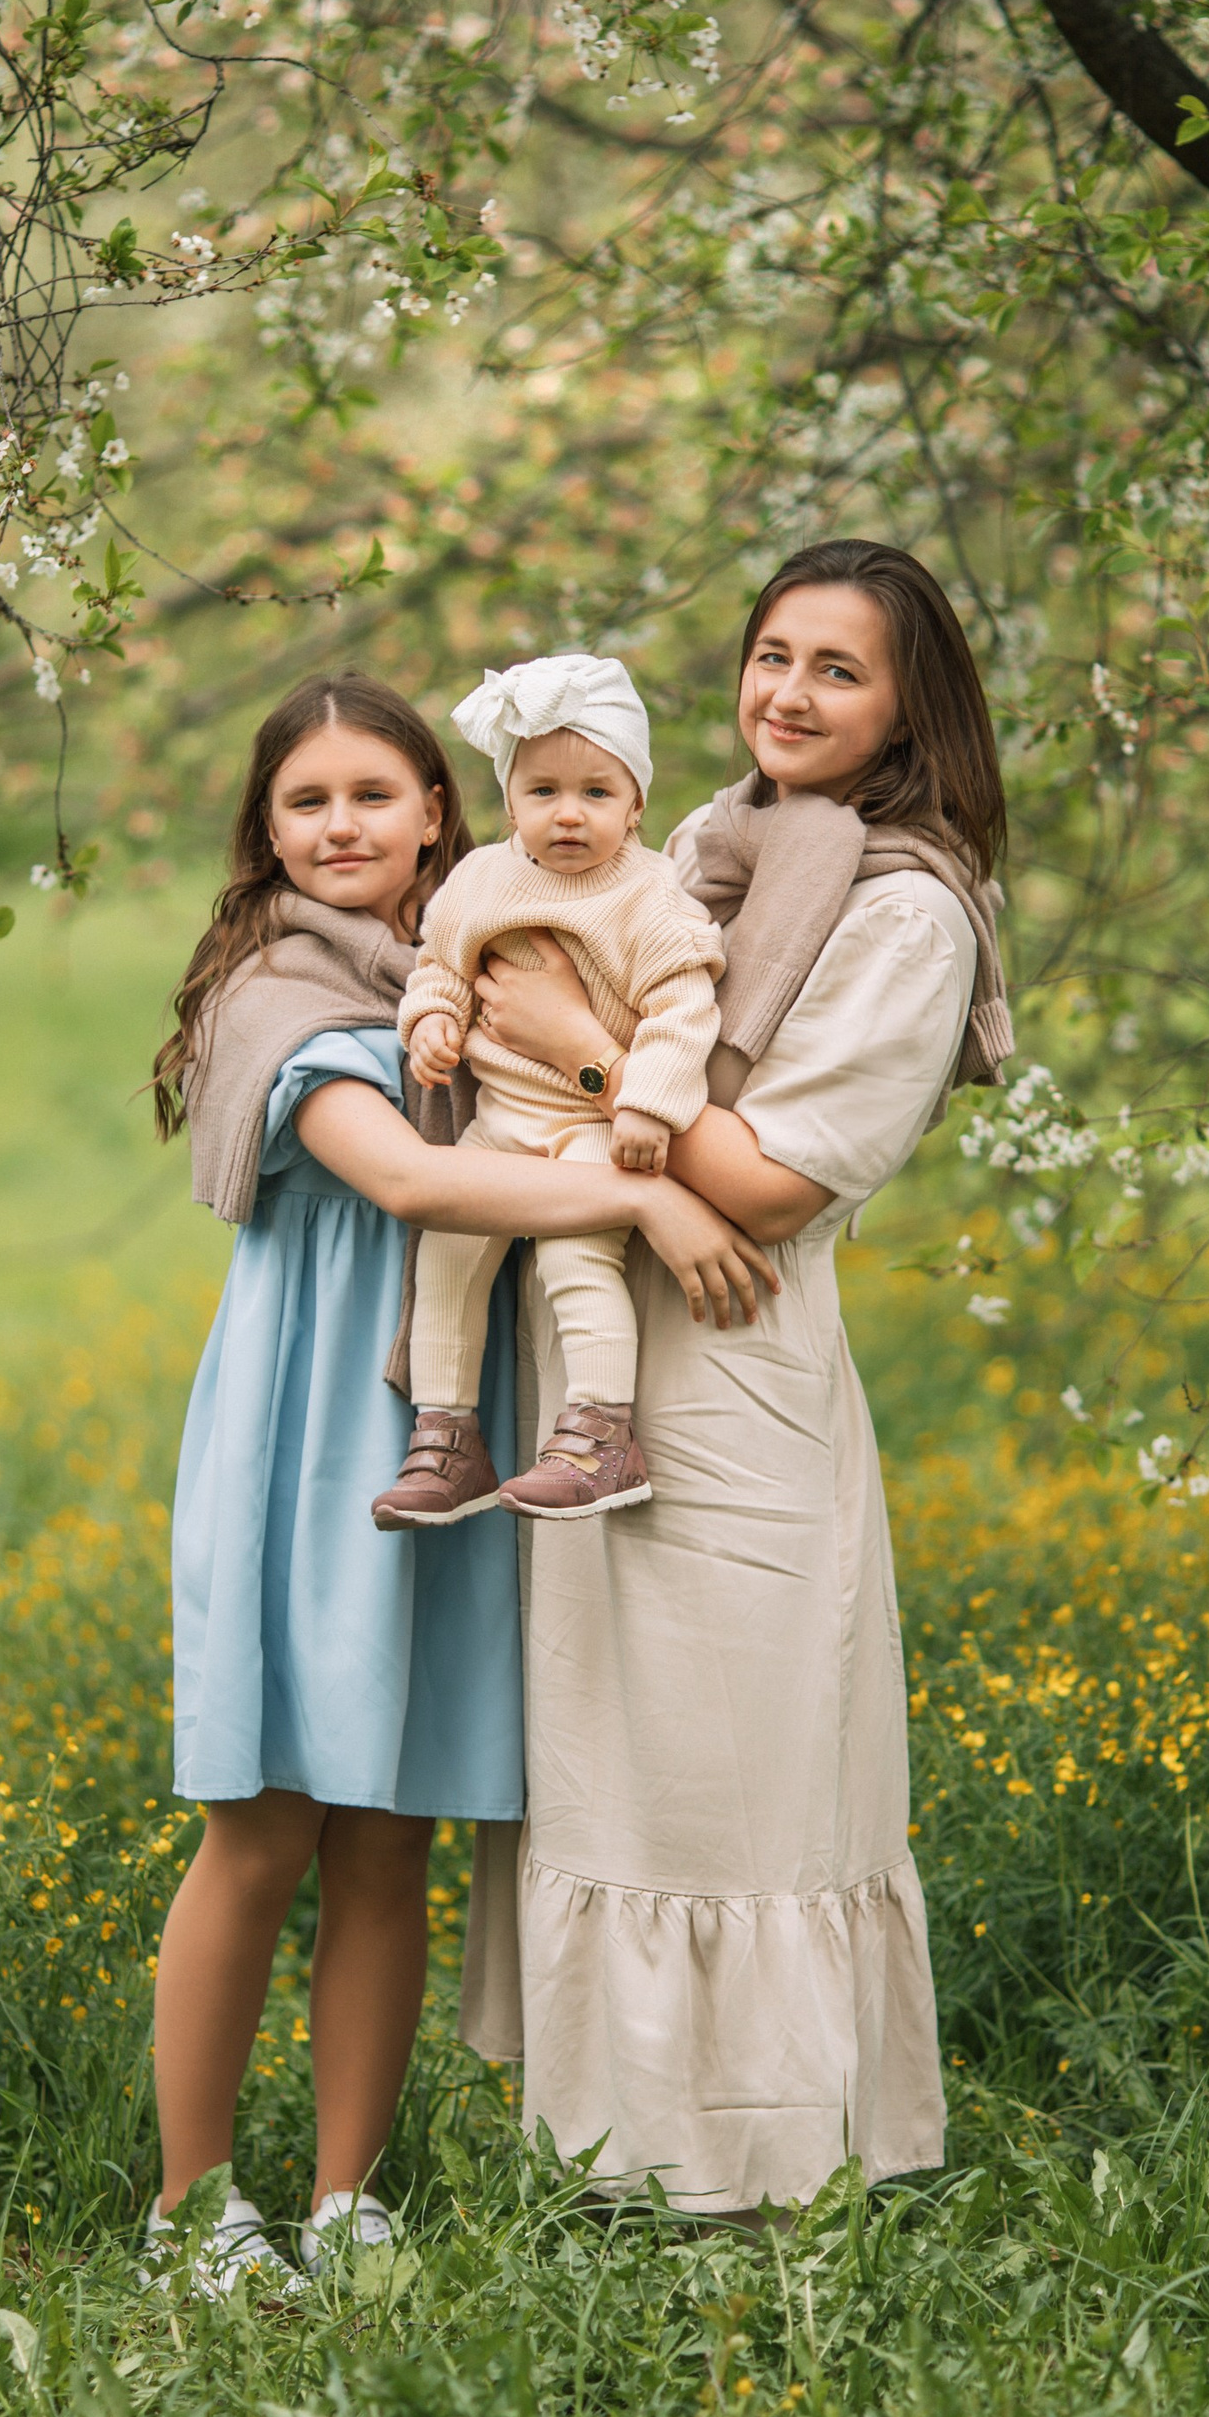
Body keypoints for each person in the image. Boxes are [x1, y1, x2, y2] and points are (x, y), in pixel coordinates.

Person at [146, 672, 781, 2293]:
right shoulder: (274, 993)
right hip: (310, 1435)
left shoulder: (501, 947)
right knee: (265, 1826)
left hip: (462, 1427)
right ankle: (194, 2207)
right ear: (267, 829)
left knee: (390, 1836)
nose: (343, 824)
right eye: (308, 800)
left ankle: (350, 2199)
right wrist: (652, 1203)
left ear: (446, 806)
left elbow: (653, 1011)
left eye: (377, 792)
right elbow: (415, 1172)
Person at [455, 539, 1013, 2218]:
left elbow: (767, 1176)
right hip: (598, 1350)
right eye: (774, 652)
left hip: (741, 1364)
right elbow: (484, 980)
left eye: (838, 668)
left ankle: (763, 2165)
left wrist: (574, 1034)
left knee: (738, 1769)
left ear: (912, 703)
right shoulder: (691, 843)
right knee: (607, 1747)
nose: (789, 692)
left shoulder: (905, 906)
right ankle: (614, 2153)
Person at [374, 652, 724, 1532]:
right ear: (511, 802)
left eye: (597, 794)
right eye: (543, 793)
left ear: (637, 802)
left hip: (589, 1131)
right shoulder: (484, 880)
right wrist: (432, 1024)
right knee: (447, 1253)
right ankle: (448, 1437)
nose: (568, 815)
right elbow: (439, 965)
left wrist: (646, 1100)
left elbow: (684, 1011)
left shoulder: (651, 899)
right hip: (500, 1123)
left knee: (577, 1263)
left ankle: (603, 1433)